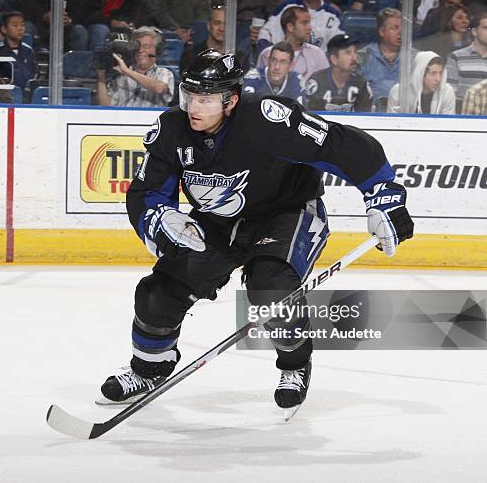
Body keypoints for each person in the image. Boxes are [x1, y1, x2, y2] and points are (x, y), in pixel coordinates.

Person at [98, 49, 414, 418]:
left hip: (284, 212)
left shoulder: (267, 120)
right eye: (189, 96)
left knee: (271, 287)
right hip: (215, 221)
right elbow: (147, 192)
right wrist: (160, 218)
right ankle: (148, 370)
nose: (193, 107)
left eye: (205, 99)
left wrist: (384, 197)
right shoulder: (172, 129)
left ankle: (294, 364)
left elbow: (341, 146)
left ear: (230, 100)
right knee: (158, 293)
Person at [96, 26, 174, 107]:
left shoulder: (164, 73)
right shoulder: (120, 75)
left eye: (146, 46)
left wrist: (127, 71)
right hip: (123, 118)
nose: (140, 50)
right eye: (137, 46)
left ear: (157, 50)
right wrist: (101, 76)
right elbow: (105, 107)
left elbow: (159, 88)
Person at [256, 6, 328, 82]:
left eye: (309, 23)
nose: (309, 28)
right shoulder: (267, 54)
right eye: (304, 23)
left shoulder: (317, 54)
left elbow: (326, 84)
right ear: (290, 27)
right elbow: (261, 85)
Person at [304, 34, 373, 112]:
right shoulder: (316, 82)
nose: (354, 58)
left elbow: (365, 119)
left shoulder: (361, 84)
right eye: (348, 53)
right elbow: (311, 117)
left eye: (355, 52)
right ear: (334, 59)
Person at [260, 0, 343, 53]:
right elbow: (265, 33)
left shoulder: (333, 14)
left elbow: (338, 48)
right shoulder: (286, 5)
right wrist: (271, 54)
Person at [356, 8, 406, 101]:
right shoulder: (363, 57)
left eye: (402, 28)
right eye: (394, 28)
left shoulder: (413, 57)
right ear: (381, 31)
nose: (400, 33)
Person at [387, 51, 455, 114]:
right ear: (420, 73)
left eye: (440, 73)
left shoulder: (447, 92)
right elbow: (392, 123)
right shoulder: (399, 91)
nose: (438, 79)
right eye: (433, 73)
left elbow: (448, 124)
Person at [446, 12, 487, 105]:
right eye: (486, 28)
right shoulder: (456, 57)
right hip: (463, 114)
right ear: (474, 31)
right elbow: (450, 92)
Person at [0, 11, 36, 90]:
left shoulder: (29, 51)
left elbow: (33, 75)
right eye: (15, 25)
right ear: (4, 29)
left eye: (22, 25)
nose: (20, 28)